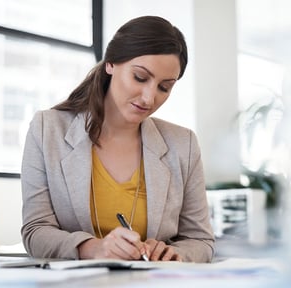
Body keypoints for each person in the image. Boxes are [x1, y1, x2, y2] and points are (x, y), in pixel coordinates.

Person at [20, 15, 215, 263]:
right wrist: (93, 248)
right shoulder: (47, 130)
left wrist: (176, 254)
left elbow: (201, 241)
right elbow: (35, 231)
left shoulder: (183, 144)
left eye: (164, 87)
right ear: (111, 64)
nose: (148, 98)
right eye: (140, 78)